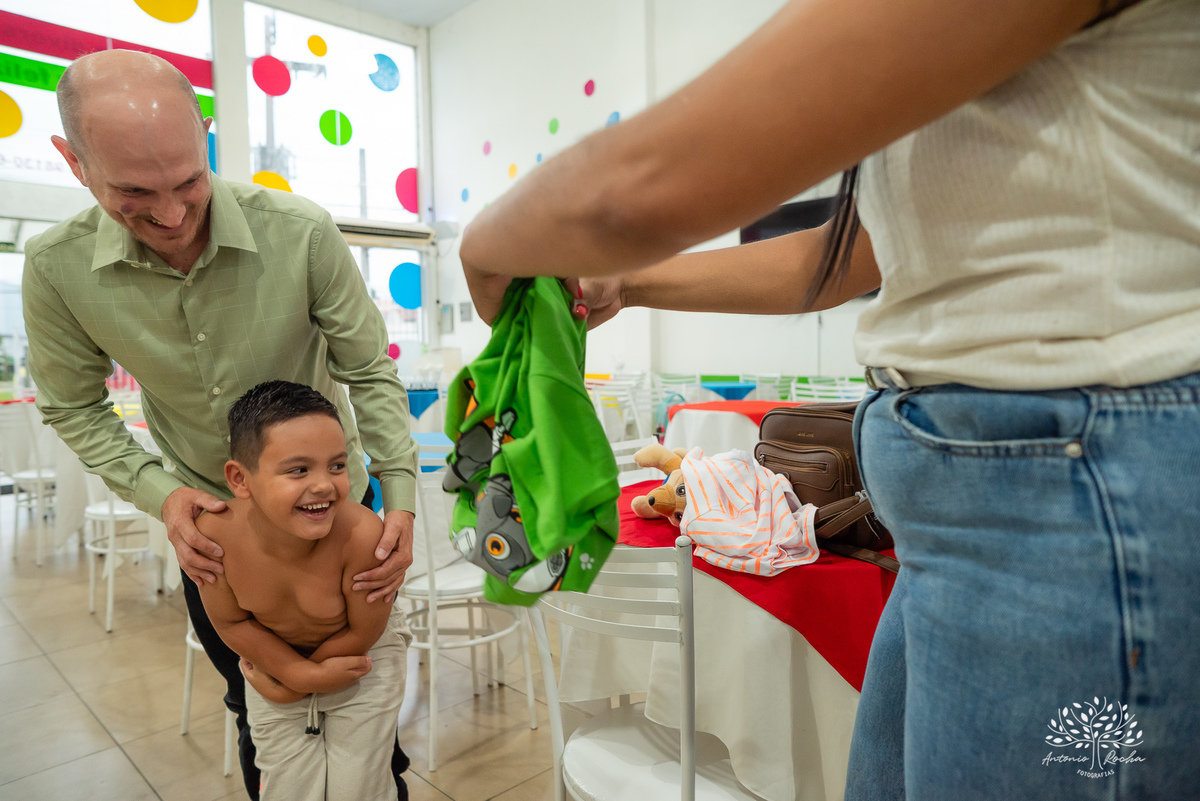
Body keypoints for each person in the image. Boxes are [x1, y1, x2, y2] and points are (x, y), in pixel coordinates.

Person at [457, 1, 1199, 799]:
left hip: (1072, 478)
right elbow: (848, 253)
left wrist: (486, 243)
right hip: (976, 491)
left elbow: (644, 185)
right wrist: (626, 285)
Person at [22, 49, 419, 799]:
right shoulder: (54, 268)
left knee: (368, 729)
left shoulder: (298, 232)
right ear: (73, 164)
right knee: (257, 710)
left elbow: (367, 370)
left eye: (189, 183)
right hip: (213, 536)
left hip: (341, 517)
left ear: (205, 135)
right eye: (133, 193)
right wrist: (163, 496)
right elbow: (74, 406)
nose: (171, 217)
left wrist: (397, 496)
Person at [198, 381, 411, 801]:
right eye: (298, 470)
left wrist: (303, 677)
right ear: (240, 479)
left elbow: (364, 633)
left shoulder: (362, 535)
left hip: (360, 662)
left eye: (337, 466)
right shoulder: (214, 540)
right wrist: (296, 675)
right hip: (272, 668)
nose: (324, 486)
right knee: (289, 791)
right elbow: (230, 620)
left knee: (358, 790)